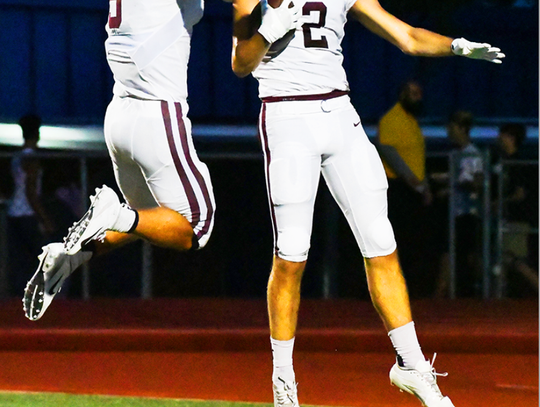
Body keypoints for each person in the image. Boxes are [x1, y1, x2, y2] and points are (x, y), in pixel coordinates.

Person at [229, 1, 504, 406]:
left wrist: (457, 46)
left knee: (381, 241)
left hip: (340, 113)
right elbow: (240, 63)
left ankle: (410, 365)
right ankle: (283, 382)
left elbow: (407, 36)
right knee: (291, 254)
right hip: (287, 117)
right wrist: (269, 30)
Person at [23, 0, 215, 321]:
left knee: (149, 220)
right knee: (196, 227)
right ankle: (112, 213)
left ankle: (70, 258)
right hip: (157, 113)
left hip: (119, 116)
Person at [377, 80, 433, 295]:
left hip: (413, 190)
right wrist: (411, 180)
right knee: (398, 239)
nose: (418, 97)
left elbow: (417, 158)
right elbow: (389, 152)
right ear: (402, 95)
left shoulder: (412, 122)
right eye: (413, 93)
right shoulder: (392, 119)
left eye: (419, 93)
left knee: (413, 241)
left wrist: (424, 186)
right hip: (399, 188)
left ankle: (410, 286)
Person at [432, 111, 484, 298]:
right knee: (447, 251)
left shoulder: (474, 154)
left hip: (467, 213)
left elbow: (477, 183)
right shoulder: (455, 154)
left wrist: (454, 185)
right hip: (454, 212)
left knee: (467, 255)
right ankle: (443, 291)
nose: (448, 131)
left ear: (462, 129)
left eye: (452, 127)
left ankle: (472, 292)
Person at [7, 114, 57, 296]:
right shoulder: (31, 159)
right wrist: (44, 219)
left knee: (22, 260)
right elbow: (30, 192)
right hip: (26, 214)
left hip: (14, 212)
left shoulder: (17, 156)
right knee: (46, 259)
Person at [492, 123, 538, 296]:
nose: (498, 139)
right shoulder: (505, 161)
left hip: (519, 219)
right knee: (505, 259)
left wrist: (500, 202)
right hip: (510, 219)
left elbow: (520, 193)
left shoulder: (517, 162)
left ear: (511, 138)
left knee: (515, 260)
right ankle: (500, 296)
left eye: (502, 135)